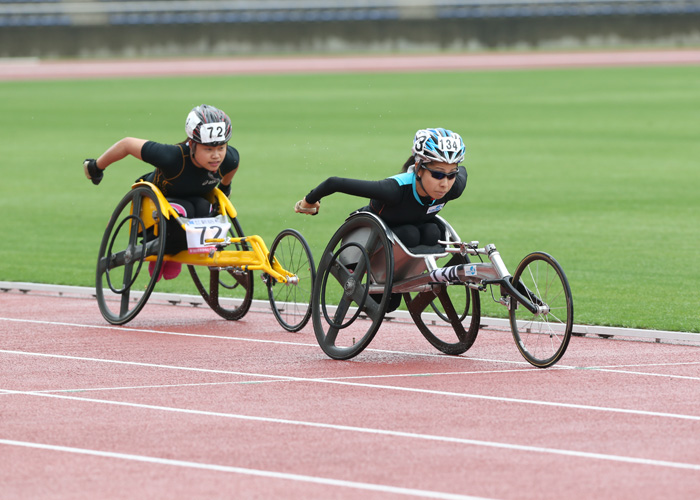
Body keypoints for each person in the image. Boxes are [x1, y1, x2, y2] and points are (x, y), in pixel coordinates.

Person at [83, 104, 240, 281]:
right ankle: (165, 253)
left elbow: (230, 172)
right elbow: (127, 144)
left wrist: (224, 190)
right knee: (186, 207)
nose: (216, 156)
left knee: (203, 207)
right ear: (193, 145)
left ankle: (178, 251)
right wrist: (96, 166)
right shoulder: (172, 157)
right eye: (208, 149)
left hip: (194, 206)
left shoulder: (230, 159)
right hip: (154, 214)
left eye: (221, 148)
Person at [294, 127, 467, 249]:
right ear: (419, 168)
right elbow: (334, 183)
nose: (445, 183)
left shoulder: (454, 187)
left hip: (415, 235)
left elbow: (463, 172)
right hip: (369, 238)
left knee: (433, 232)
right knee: (409, 234)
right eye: (437, 174)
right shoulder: (393, 190)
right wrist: (309, 202)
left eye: (451, 175)